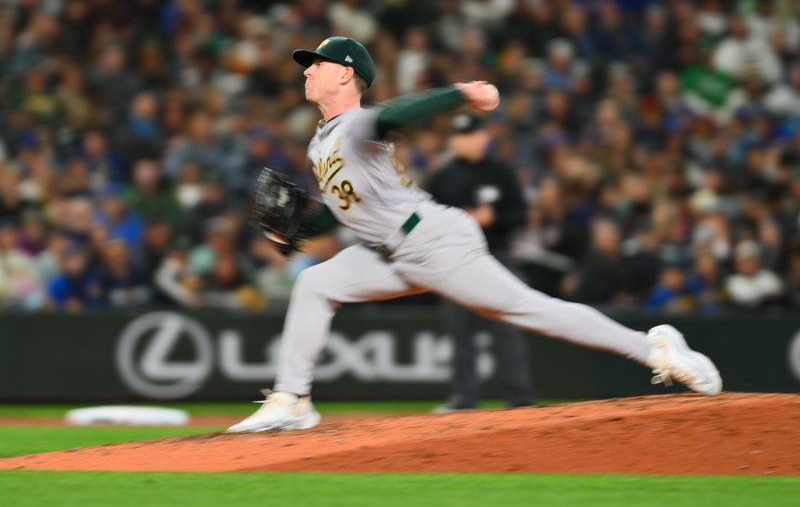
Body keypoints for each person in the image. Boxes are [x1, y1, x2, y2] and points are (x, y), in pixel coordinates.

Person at [227, 37, 722, 433]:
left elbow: (398, 113)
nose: (307, 70)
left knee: (533, 310)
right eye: (307, 64)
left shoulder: (357, 123)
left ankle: (656, 349)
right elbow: (339, 215)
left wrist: (460, 93)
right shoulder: (321, 143)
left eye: (317, 63)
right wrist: (292, 232)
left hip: (433, 242)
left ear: (346, 73)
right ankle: (292, 401)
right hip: (388, 253)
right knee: (315, 284)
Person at [427, 113, 534, 411]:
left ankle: (519, 399)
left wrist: (494, 217)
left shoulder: (501, 173)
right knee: (460, 330)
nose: (465, 141)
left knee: (507, 328)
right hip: (454, 261)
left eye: (471, 135)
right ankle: (464, 399)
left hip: (496, 255)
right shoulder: (443, 176)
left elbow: (521, 215)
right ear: (453, 141)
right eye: (460, 136)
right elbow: (426, 219)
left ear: (484, 137)